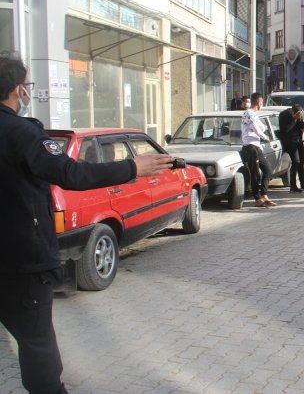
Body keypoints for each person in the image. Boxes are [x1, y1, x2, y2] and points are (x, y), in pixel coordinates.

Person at [0, 56, 174, 394]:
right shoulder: (21, 132)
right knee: (38, 352)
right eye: (28, 87)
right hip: (22, 263)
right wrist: (131, 168)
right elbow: (70, 173)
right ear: (18, 90)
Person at [240, 92, 276, 207]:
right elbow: (257, 129)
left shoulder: (255, 115)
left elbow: (263, 126)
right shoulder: (248, 113)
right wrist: (265, 137)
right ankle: (257, 198)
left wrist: (262, 130)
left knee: (267, 170)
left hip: (256, 146)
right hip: (250, 147)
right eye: (261, 103)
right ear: (259, 102)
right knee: (255, 174)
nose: (262, 105)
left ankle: (264, 195)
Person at [278, 104, 304, 192]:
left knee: (301, 162)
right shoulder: (283, 115)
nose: (298, 115)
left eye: (300, 114)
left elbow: (302, 126)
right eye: (297, 114)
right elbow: (285, 130)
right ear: (292, 111)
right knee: (296, 161)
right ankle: (293, 186)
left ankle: (303, 183)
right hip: (289, 142)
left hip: (299, 140)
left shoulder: (299, 114)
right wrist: (294, 118)